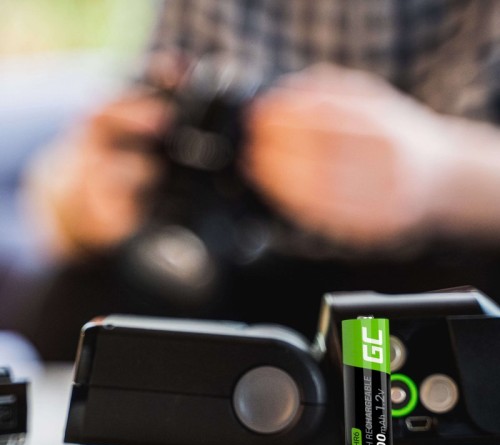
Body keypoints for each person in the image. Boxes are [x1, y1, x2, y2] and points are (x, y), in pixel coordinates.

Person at [6, 0, 500, 360]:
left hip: (449, 282)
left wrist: (444, 174)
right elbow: (66, 190)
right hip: (215, 283)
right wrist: (82, 196)